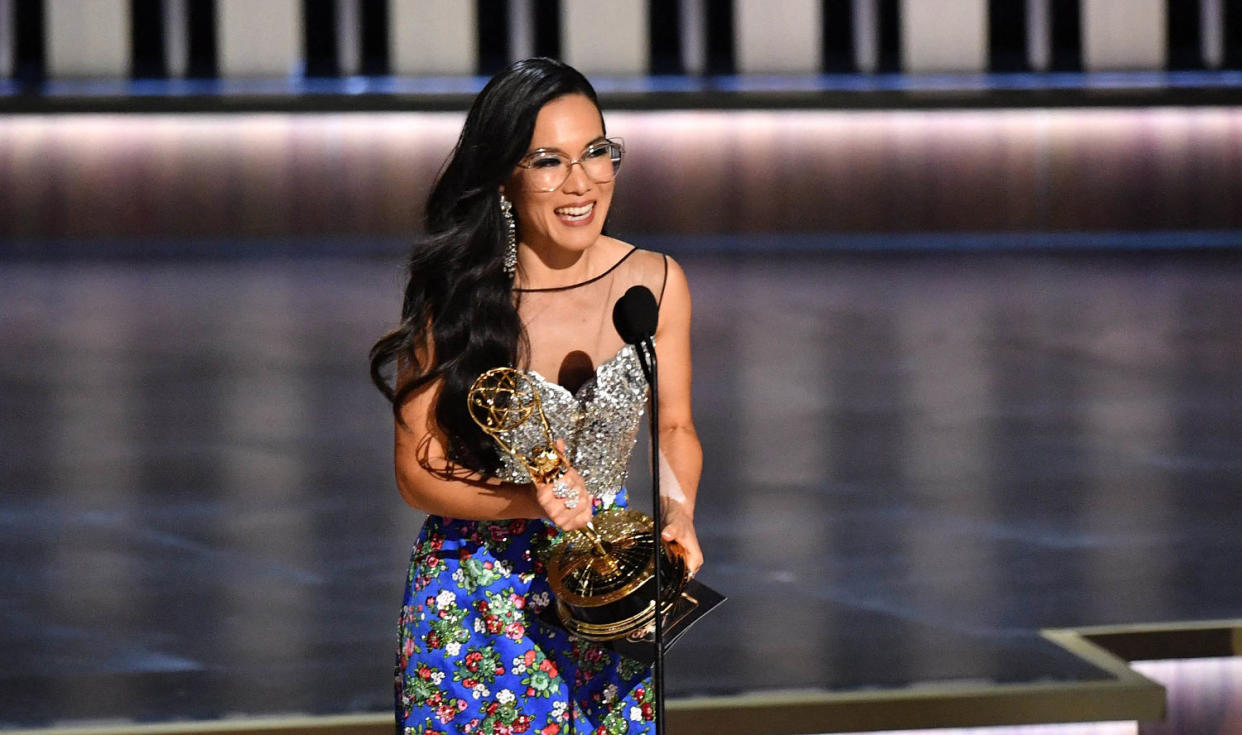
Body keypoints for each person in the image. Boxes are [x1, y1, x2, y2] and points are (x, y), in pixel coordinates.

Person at [369, 57, 704, 735]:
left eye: (596, 154)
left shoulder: (654, 281)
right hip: (476, 604)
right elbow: (415, 471)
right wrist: (529, 500)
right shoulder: (458, 294)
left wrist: (677, 511)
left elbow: (675, 427)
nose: (580, 183)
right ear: (504, 179)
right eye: (549, 161)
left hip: (604, 594)